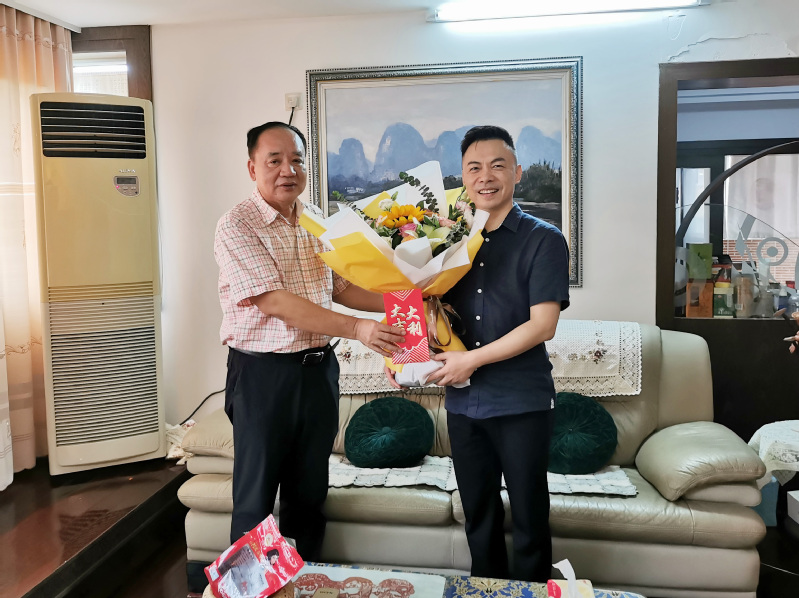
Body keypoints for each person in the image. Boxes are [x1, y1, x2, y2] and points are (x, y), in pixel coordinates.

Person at [214, 121, 405, 561]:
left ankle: (307, 581)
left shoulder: (315, 219)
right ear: (252, 168)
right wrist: (358, 329)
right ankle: (251, 588)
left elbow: (342, 287)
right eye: (274, 161)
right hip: (263, 375)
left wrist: (408, 300)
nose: (288, 170)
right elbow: (274, 301)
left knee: (310, 494)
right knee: (256, 500)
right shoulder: (236, 225)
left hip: (319, 372)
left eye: (296, 160)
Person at [389, 125, 570, 582]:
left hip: (522, 401)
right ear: (463, 177)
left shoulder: (544, 239)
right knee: (479, 517)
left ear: (517, 172)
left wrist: (471, 360)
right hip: (464, 404)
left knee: (529, 518)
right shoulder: (447, 241)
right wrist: (406, 358)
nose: (485, 176)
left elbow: (543, 324)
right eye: (474, 168)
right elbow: (424, 305)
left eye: (497, 166)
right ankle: (486, 592)